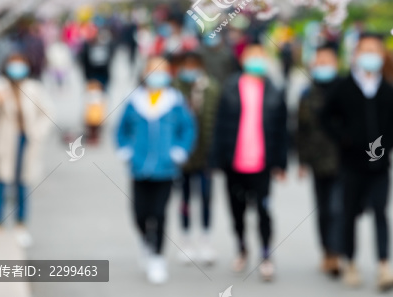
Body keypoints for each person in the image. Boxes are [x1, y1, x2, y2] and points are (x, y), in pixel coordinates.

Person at [322, 32, 393, 292]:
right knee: (349, 215)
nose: (370, 55)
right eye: (365, 50)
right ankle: (351, 262)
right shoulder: (344, 86)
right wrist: (344, 139)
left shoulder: (388, 88)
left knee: (381, 213)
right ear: (356, 55)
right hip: (351, 165)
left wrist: (388, 145)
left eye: (375, 50)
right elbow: (326, 117)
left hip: (381, 166)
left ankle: (384, 265)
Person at [115, 56, 197, 285]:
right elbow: (121, 129)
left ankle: (157, 259)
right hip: (139, 168)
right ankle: (145, 241)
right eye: (153, 70)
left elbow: (188, 129)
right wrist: (125, 150)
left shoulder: (175, 101)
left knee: (159, 214)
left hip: (166, 169)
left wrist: (180, 150)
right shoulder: (134, 101)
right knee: (139, 214)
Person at [210, 42, 288, 282]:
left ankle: (266, 254)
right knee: (237, 211)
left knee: (264, 211)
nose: (256, 60)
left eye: (260, 56)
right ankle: (242, 248)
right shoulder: (230, 88)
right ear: (242, 60)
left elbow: (283, 131)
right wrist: (215, 159)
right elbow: (219, 125)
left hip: (262, 163)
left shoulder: (275, 91)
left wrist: (281, 164)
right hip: (234, 162)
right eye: (251, 56)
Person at [0, 52, 54, 248]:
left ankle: (20, 225)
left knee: (22, 185)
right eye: (13, 64)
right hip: (3, 143)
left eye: (21, 64)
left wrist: (37, 133)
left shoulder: (34, 88)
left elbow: (48, 114)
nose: (17, 69)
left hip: (26, 141)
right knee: (0, 183)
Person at [295, 42, 343, 278]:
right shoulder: (307, 93)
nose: (322, 66)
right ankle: (326, 250)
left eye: (327, 61)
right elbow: (301, 129)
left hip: (342, 161)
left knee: (337, 208)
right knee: (323, 210)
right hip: (316, 161)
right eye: (319, 62)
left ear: (337, 63)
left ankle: (336, 252)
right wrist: (302, 161)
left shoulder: (346, 90)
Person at [173, 51, 221, 266]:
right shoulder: (173, 90)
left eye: (194, 65)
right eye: (187, 65)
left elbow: (218, 122)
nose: (190, 70)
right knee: (184, 200)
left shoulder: (212, 89)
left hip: (206, 157)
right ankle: (185, 241)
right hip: (182, 158)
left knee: (205, 198)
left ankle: (206, 240)